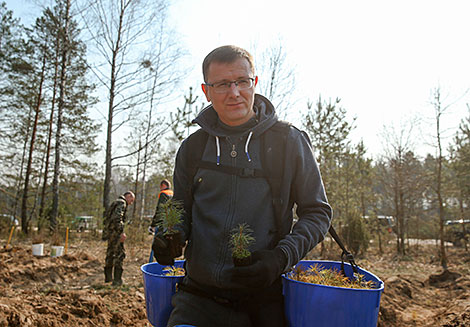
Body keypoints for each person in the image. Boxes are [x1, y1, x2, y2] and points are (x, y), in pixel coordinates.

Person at [152, 45, 332, 326]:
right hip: (197, 300)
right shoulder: (193, 148)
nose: (235, 92)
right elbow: (181, 207)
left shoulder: (287, 142)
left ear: (255, 83)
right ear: (206, 91)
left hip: (265, 300)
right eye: (222, 84)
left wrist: (280, 257)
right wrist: (170, 235)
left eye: (242, 81)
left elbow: (318, 213)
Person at [103, 191, 135, 286]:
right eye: (131, 200)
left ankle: (108, 278)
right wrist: (121, 232)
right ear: (128, 196)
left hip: (110, 232)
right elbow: (117, 218)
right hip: (116, 233)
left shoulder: (115, 202)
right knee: (120, 255)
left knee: (110, 254)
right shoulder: (122, 203)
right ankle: (117, 281)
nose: (131, 203)